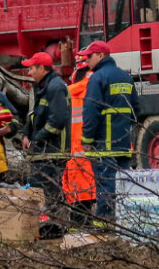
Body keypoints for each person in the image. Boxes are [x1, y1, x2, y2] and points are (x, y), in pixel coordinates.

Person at [78, 41, 138, 220]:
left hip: (104, 143)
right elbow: (136, 109)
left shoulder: (97, 78)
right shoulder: (126, 77)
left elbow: (91, 110)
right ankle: (127, 219)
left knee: (106, 182)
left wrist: (87, 139)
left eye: (89, 56)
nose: (86, 60)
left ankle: (106, 221)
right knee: (123, 183)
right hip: (124, 142)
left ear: (100, 56)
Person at [22, 51, 71, 232]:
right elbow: (36, 116)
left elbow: (57, 121)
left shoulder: (55, 87)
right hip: (43, 152)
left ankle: (55, 229)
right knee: (43, 192)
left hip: (52, 151)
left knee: (47, 193)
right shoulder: (44, 86)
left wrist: (36, 139)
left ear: (42, 68)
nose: (29, 72)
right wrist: (27, 134)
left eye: (31, 68)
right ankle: (48, 228)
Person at [63, 60, 97, 226]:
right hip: (98, 152)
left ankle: (79, 231)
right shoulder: (101, 88)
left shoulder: (71, 92)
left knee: (79, 198)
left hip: (77, 151)